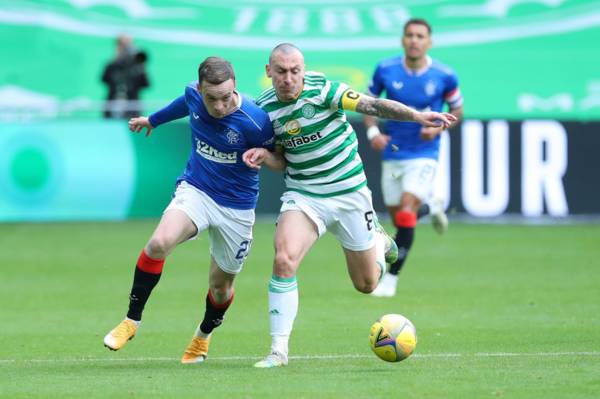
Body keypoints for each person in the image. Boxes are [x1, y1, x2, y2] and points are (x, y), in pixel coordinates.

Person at [242, 43, 456, 368]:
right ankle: (278, 351)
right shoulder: (262, 111)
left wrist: (416, 116)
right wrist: (265, 156)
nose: (288, 78)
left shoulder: (325, 90)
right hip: (305, 195)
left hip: (349, 193)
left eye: (295, 71)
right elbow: (282, 161)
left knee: (367, 285)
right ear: (269, 71)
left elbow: (371, 104)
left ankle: (381, 242)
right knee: (284, 260)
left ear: (303, 69)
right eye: (281, 71)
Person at [103, 56, 275, 364]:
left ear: (234, 87)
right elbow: (183, 104)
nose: (220, 106)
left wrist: (264, 154)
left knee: (220, 288)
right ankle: (131, 321)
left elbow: (280, 160)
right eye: (212, 98)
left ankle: (202, 337)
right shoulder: (193, 95)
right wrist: (153, 120)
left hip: (237, 207)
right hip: (197, 190)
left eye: (226, 98)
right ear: (200, 89)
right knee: (158, 244)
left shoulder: (255, 120)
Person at [364, 18, 464, 298]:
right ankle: (430, 207)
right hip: (393, 151)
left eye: (420, 36)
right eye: (409, 35)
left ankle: (391, 279)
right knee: (400, 217)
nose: (414, 40)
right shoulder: (386, 69)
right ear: (402, 40)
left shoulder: (445, 75)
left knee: (406, 211)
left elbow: (458, 110)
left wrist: (440, 129)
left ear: (429, 42)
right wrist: (373, 133)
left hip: (424, 154)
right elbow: (368, 104)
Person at [101, 34, 150, 119]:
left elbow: (146, 84)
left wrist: (141, 66)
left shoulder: (137, 67)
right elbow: (104, 79)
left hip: (133, 109)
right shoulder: (112, 65)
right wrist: (116, 60)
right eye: (124, 45)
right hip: (113, 107)